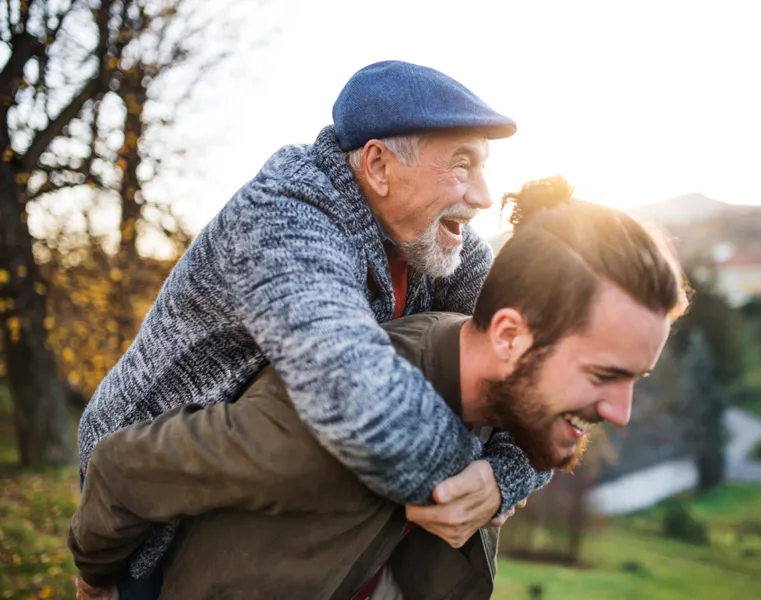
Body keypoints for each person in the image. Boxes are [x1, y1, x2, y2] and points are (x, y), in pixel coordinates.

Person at [69, 176, 691, 600]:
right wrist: (98, 580)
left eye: (634, 378)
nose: (622, 411)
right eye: (603, 375)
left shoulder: (509, 395)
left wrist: (505, 476)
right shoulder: (326, 422)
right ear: (508, 337)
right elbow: (124, 468)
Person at [76, 60, 543, 598]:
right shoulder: (283, 216)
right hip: (150, 484)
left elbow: (540, 368)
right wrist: (473, 482)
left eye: (484, 166)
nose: (484, 196)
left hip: (268, 483)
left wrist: (502, 478)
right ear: (378, 164)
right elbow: (356, 393)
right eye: (462, 164)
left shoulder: (436, 237)